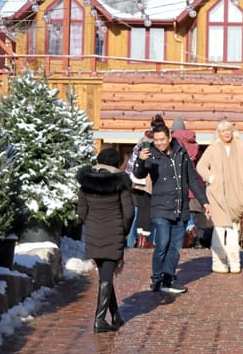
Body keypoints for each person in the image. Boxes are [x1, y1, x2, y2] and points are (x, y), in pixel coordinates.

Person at [134, 123, 211, 293]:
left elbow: (192, 180)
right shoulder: (151, 154)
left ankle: (168, 278)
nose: (159, 143)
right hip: (160, 207)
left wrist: (205, 201)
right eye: (156, 140)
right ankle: (156, 278)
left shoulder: (181, 153)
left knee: (175, 247)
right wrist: (140, 160)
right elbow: (138, 174)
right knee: (162, 244)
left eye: (162, 139)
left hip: (180, 207)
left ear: (170, 138)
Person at [77, 147, 135, 332]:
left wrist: (91, 224)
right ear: (116, 163)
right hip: (113, 232)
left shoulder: (86, 182)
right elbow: (128, 213)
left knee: (105, 276)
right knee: (107, 277)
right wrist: (123, 231)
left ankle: (116, 316)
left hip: (94, 232)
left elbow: (81, 212)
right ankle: (99, 320)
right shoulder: (120, 183)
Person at [196, 119, 243, 273]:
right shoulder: (213, 148)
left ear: (232, 131)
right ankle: (219, 262)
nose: (226, 133)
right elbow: (201, 166)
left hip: (237, 194)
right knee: (219, 229)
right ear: (219, 133)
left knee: (233, 230)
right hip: (217, 195)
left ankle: (234, 262)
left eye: (228, 130)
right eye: (223, 131)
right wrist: (211, 178)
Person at [125, 114, 165, 248]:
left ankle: (134, 242)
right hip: (150, 183)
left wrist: (130, 177)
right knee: (150, 213)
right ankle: (148, 241)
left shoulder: (141, 142)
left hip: (138, 183)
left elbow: (131, 164)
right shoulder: (160, 143)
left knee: (137, 213)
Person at [171, 117, 209, 248]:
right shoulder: (194, 144)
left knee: (179, 214)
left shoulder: (172, 143)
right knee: (195, 214)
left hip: (178, 184)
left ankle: (183, 239)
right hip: (194, 185)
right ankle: (197, 239)